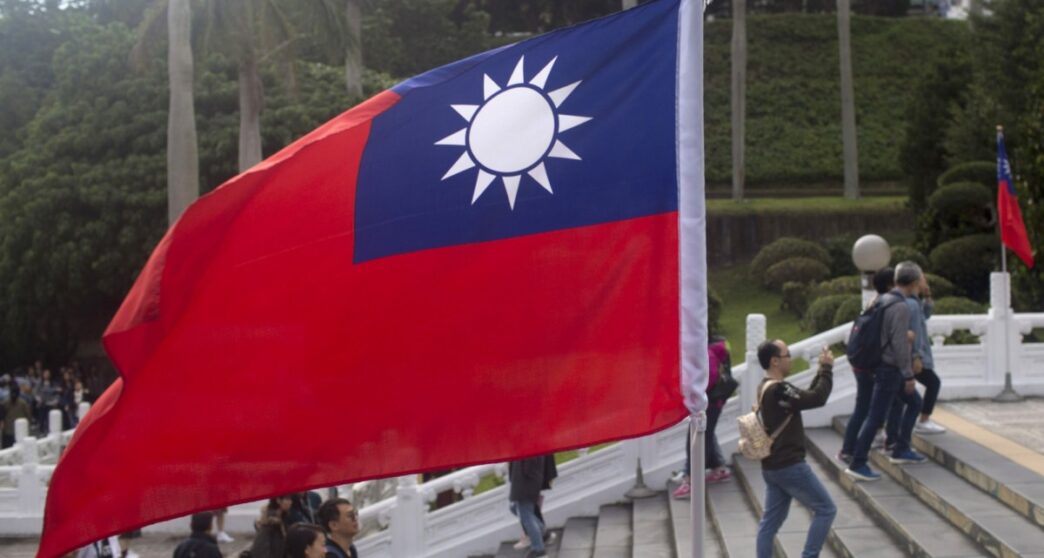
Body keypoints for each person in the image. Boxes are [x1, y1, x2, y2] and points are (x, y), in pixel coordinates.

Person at [846, 262, 928, 483]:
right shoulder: (900, 306)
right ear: (913, 283)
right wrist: (908, 375)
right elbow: (899, 345)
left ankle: (900, 448)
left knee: (913, 403)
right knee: (876, 417)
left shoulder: (882, 300)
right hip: (889, 369)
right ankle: (858, 462)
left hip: (881, 366)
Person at [754, 340, 836, 558]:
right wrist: (827, 369)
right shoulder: (779, 390)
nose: (790, 359)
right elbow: (817, 398)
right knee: (826, 509)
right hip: (789, 465)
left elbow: (806, 397)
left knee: (769, 524)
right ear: (775, 361)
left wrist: (821, 371)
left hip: (772, 466)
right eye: (787, 354)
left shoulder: (766, 387)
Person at [838, 267, 894, 464]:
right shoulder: (886, 305)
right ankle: (851, 449)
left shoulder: (873, 302)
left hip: (860, 363)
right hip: (872, 365)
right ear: (890, 285)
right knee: (866, 408)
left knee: (863, 407)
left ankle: (849, 448)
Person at [673, 335, 734, 499]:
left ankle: (691, 480)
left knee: (696, 439)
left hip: (709, 403)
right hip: (713, 401)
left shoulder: (707, 353)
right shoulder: (713, 349)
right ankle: (719, 468)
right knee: (707, 434)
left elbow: (708, 379)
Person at [908, 274, 946, 435]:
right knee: (933, 383)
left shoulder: (916, 302)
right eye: (923, 280)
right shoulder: (911, 304)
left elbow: (926, 315)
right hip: (915, 357)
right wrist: (916, 356)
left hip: (915, 355)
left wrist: (927, 296)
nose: (926, 283)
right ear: (916, 282)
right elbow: (914, 332)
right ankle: (923, 420)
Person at [509, 456, 548, 558]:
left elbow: (528, 467)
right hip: (526, 482)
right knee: (515, 509)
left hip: (525, 483)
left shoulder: (527, 448)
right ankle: (541, 531)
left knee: (526, 515)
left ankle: (538, 549)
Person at [2, 383, 32, 448]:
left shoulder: (23, 404)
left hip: (16, 431)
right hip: (10, 431)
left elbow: (28, 417)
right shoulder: (5, 403)